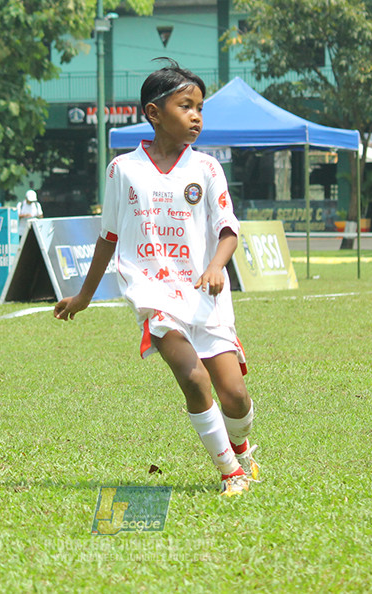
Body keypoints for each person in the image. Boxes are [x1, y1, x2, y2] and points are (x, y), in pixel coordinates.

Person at [53, 59, 259, 497]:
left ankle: (241, 445)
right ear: (153, 112)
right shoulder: (122, 170)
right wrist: (84, 296)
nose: (197, 116)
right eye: (186, 106)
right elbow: (108, 237)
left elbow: (228, 229)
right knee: (193, 378)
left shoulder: (206, 168)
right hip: (154, 294)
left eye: (200, 108)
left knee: (235, 396)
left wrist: (216, 266)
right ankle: (231, 474)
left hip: (205, 294)